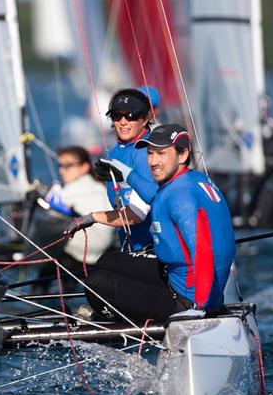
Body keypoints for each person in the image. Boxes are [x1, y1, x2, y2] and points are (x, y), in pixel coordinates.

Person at [68, 124, 236, 323]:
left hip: (186, 300)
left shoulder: (179, 197)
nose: (153, 162)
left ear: (182, 155)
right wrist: (128, 175)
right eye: (150, 153)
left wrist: (198, 308)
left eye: (162, 154)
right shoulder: (193, 180)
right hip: (182, 280)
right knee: (107, 261)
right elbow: (157, 197)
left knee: (95, 284)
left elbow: (201, 251)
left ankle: (108, 319)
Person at [64, 88, 159, 251]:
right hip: (129, 244)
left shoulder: (146, 151)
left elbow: (136, 215)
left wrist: (91, 217)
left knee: (99, 276)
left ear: (144, 119)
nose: (123, 122)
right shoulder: (115, 151)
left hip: (153, 247)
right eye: (117, 116)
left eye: (130, 116)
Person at [38, 147, 115, 291]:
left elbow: (49, 209)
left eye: (67, 166)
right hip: (103, 249)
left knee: (45, 273)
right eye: (60, 165)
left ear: (84, 167)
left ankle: (39, 293)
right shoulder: (99, 186)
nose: (62, 170)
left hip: (84, 249)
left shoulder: (75, 187)